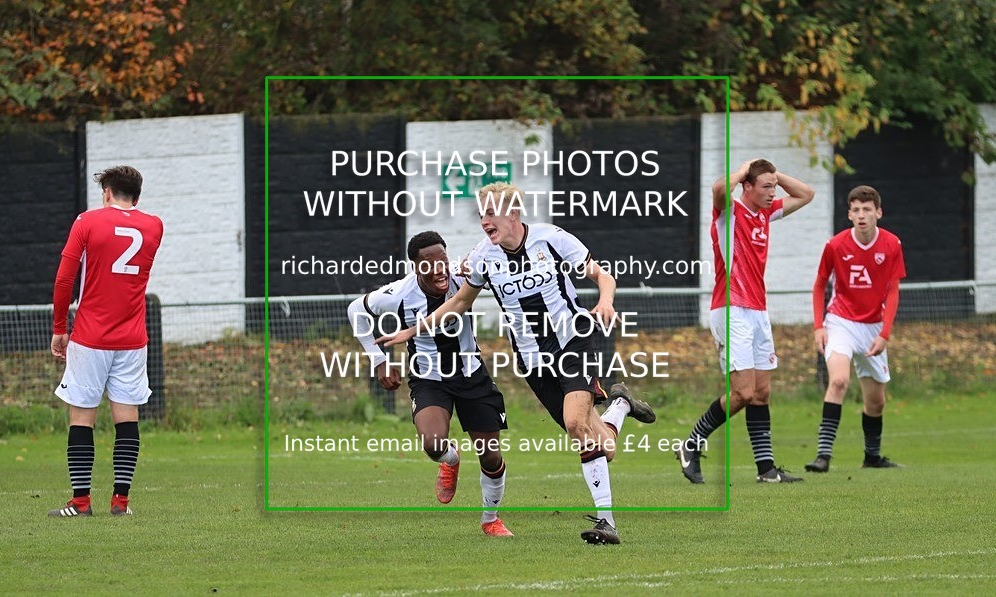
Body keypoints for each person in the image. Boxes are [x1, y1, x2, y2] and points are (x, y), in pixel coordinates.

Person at [380, 182, 656, 545]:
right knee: (602, 445)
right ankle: (619, 405)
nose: (484, 222)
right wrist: (412, 330)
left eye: (490, 214)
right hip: (532, 363)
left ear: (513, 213)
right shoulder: (483, 256)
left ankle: (607, 523)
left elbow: (602, 274)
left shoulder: (551, 238)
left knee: (576, 424)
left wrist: (606, 300)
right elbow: (459, 302)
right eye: (480, 215)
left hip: (572, 341)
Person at [348, 231, 513, 537]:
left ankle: (491, 519)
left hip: (471, 374)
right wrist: (379, 360)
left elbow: (502, 265)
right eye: (428, 262)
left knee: (490, 454)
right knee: (433, 443)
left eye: (442, 259)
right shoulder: (398, 294)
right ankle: (450, 459)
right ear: (415, 267)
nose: (439, 268)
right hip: (429, 379)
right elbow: (356, 310)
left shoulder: (463, 278)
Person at [677, 159, 814, 484]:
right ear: (747, 187)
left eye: (774, 187)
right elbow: (717, 188)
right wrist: (745, 168)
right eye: (765, 186)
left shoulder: (765, 214)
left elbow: (807, 194)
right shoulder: (730, 213)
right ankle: (690, 444)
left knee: (761, 392)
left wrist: (774, 174)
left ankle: (766, 470)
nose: (773, 192)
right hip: (731, 309)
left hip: (757, 311)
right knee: (742, 392)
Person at [48, 165, 164, 517]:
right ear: (138, 197)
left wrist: (58, 327)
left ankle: (81, 502)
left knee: (82, 417)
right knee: (126, 417)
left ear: (107, 192)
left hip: (90, 336)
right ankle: (121, 502)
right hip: (132, 338)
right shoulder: (154, 226)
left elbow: (65, 276)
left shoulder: (87, 221)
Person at [805, 185, 906, 472]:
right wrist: (818, 326)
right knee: (838, 381)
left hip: (873, 326)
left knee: (876, 402)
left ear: (878, 213)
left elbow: (894, 291)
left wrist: (885, 334)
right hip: (841, 322)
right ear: (849, 214)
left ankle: (872, 457)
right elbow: (819, 285)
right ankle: (823, 456)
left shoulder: (892, 245)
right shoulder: (835, 245)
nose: (862, 215)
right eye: (856, 210)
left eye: (867, 209)